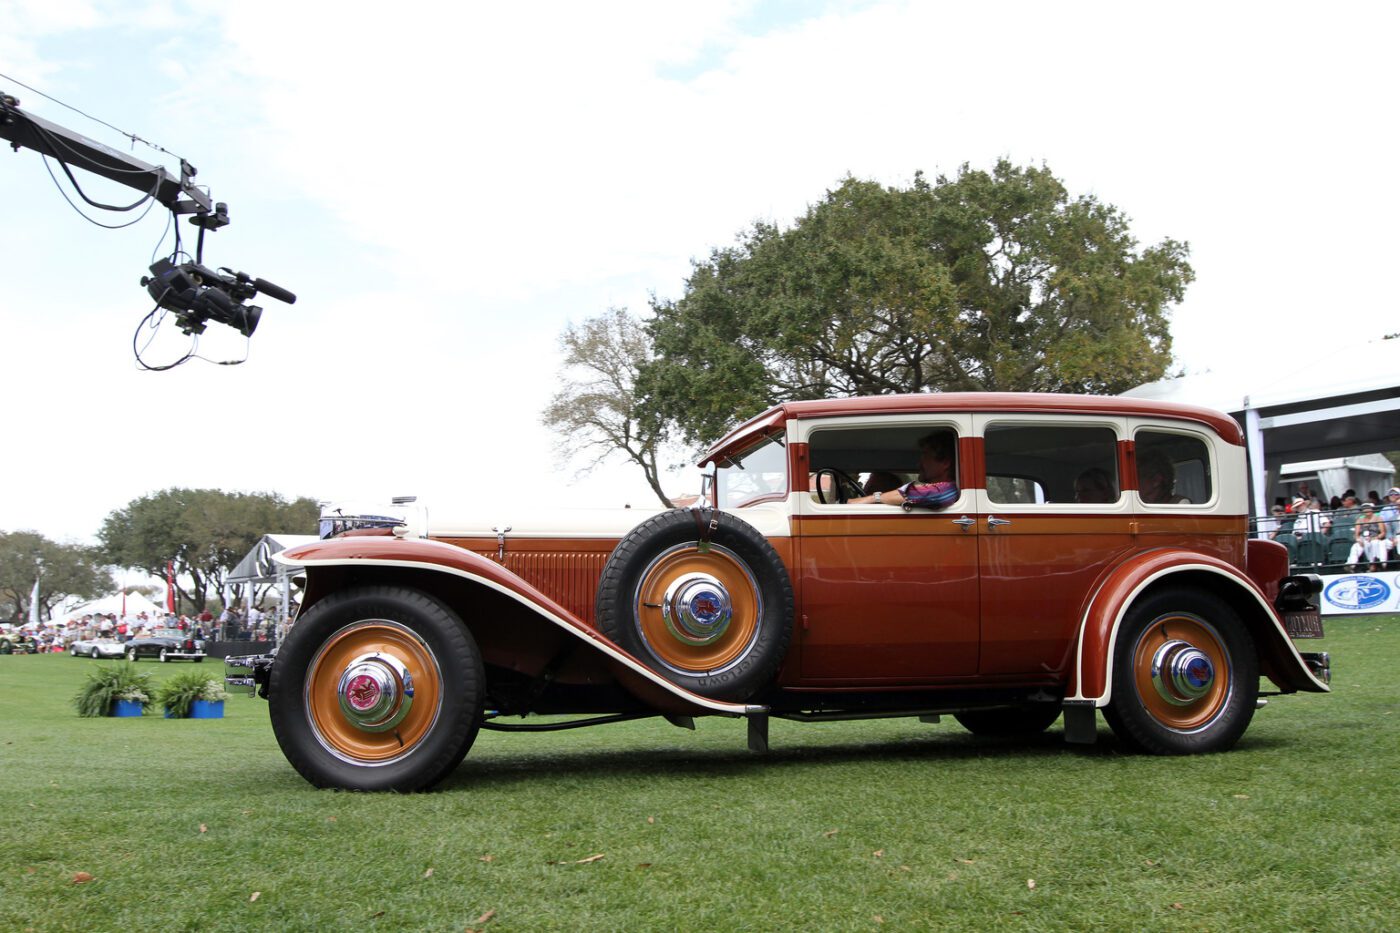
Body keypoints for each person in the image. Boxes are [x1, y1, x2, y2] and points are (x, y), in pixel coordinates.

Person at [847, 432, 959, 508]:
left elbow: (921, 494)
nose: (919, 463)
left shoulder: (949, 490)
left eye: (925, 455)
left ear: (945, 463)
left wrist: (871, 499)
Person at [1348, 502, 1390, 571]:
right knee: (1355, 547)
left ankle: (1374, 565)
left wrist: (1375, 538)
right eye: (1364, 509)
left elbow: (1383, 533)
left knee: (1373, 543)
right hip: (1363, 539)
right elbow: (1356, 534)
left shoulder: (1378, 518)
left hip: (1375, 538)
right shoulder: (1359, 520)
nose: (1366, 510)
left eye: (1368, 508)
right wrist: (1358, 540)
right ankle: (1351, 566)